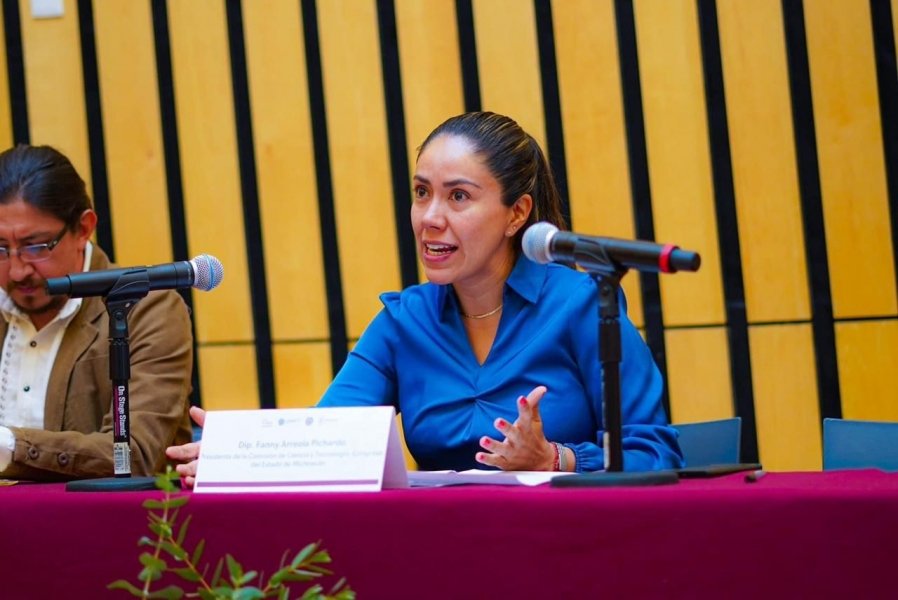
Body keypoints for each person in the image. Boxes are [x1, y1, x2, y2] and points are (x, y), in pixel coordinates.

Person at [168, 111, 682, 486]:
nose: (430, 217)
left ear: (517, 214)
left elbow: (656, 452)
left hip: (563, 549)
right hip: (439, 551)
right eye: (421, 193)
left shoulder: (581, 304)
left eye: (458, 196)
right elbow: (329, 437)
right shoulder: (404, 322)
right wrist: (242, 455)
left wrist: (555, 460)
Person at [0, 144, 193, 481]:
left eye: (36, 246)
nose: (17, 270)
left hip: (105, 515)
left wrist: (9, 447)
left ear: (84, 228)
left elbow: (133, 454)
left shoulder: (146, 307)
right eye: (1, 249)